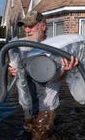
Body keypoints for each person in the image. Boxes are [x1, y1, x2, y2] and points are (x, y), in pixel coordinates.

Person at [8, 10, 78, 140]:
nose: (27, 30)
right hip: (28, 104)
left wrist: (67, 70)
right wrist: (12, 72)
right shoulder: (19, 48)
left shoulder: (56, 49)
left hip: (47, 105)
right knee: (30, 129)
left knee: (38, 136)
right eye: (25, 26)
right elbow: (15, 73)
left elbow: (59, 79)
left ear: (43, 25)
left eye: (31, 25)